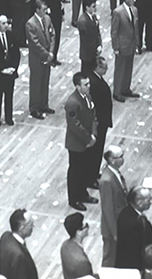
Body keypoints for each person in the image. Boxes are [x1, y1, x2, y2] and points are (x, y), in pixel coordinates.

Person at [64, 72, 98, 211]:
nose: (89, 86)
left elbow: (93, 116)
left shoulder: (87, 97)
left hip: (88, 139)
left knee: (84, 169)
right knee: (75, 171)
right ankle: (74, 198)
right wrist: (88, 138)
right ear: (78, 87)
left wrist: (94, 134)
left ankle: (83, 193)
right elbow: (74, 125)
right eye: (86, 84)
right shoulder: (73, 103)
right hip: (77, 143)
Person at [99, 145, 129, 268]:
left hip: (119, 222)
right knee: (109, 258)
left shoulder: (114, 173)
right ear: (111, 159)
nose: (123, 159)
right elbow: (108, 209)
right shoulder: (107, 180)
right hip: (112, 227)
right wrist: (114, 232)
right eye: (120, 156)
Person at [115, 187, 152, 270]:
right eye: (148, 199)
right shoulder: (138, 223)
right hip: (134, 267)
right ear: (139, 202)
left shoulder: (125, 212)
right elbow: (138, 249)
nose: (151, 202)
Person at [26, 0, 54, 119]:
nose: (45, 11)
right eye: (43, 9)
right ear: (37, 10)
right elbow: (34, 43)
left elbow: (52, 34)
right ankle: (34, 108)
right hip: (37, 58)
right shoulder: (30, 24)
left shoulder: (47, 19)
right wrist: (46, 54)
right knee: (36, 83)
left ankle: (44, 104)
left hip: (48, 56)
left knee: (45, 81)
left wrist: (51, 52)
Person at [110, 0, 139, 102]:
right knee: (120, 69)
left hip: (131, 44)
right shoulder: (118, 12)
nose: (134, 0)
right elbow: (114, 32)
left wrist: (137, 43)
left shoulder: (135, 10)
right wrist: (115, 47)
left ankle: (125, 88)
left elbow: (135, 28)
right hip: (122, 45)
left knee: (129, 68)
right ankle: (117, 92)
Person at [0, 208, 39, 279]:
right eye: (30, 224)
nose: (33, 227)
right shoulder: (19, 256)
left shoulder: (5, 237)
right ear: (21, 228)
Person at [60, 212, 96, 279]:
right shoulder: (82, 262)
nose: (87, 227)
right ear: (79, 232)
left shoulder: (64, 246)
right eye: (85, 226)